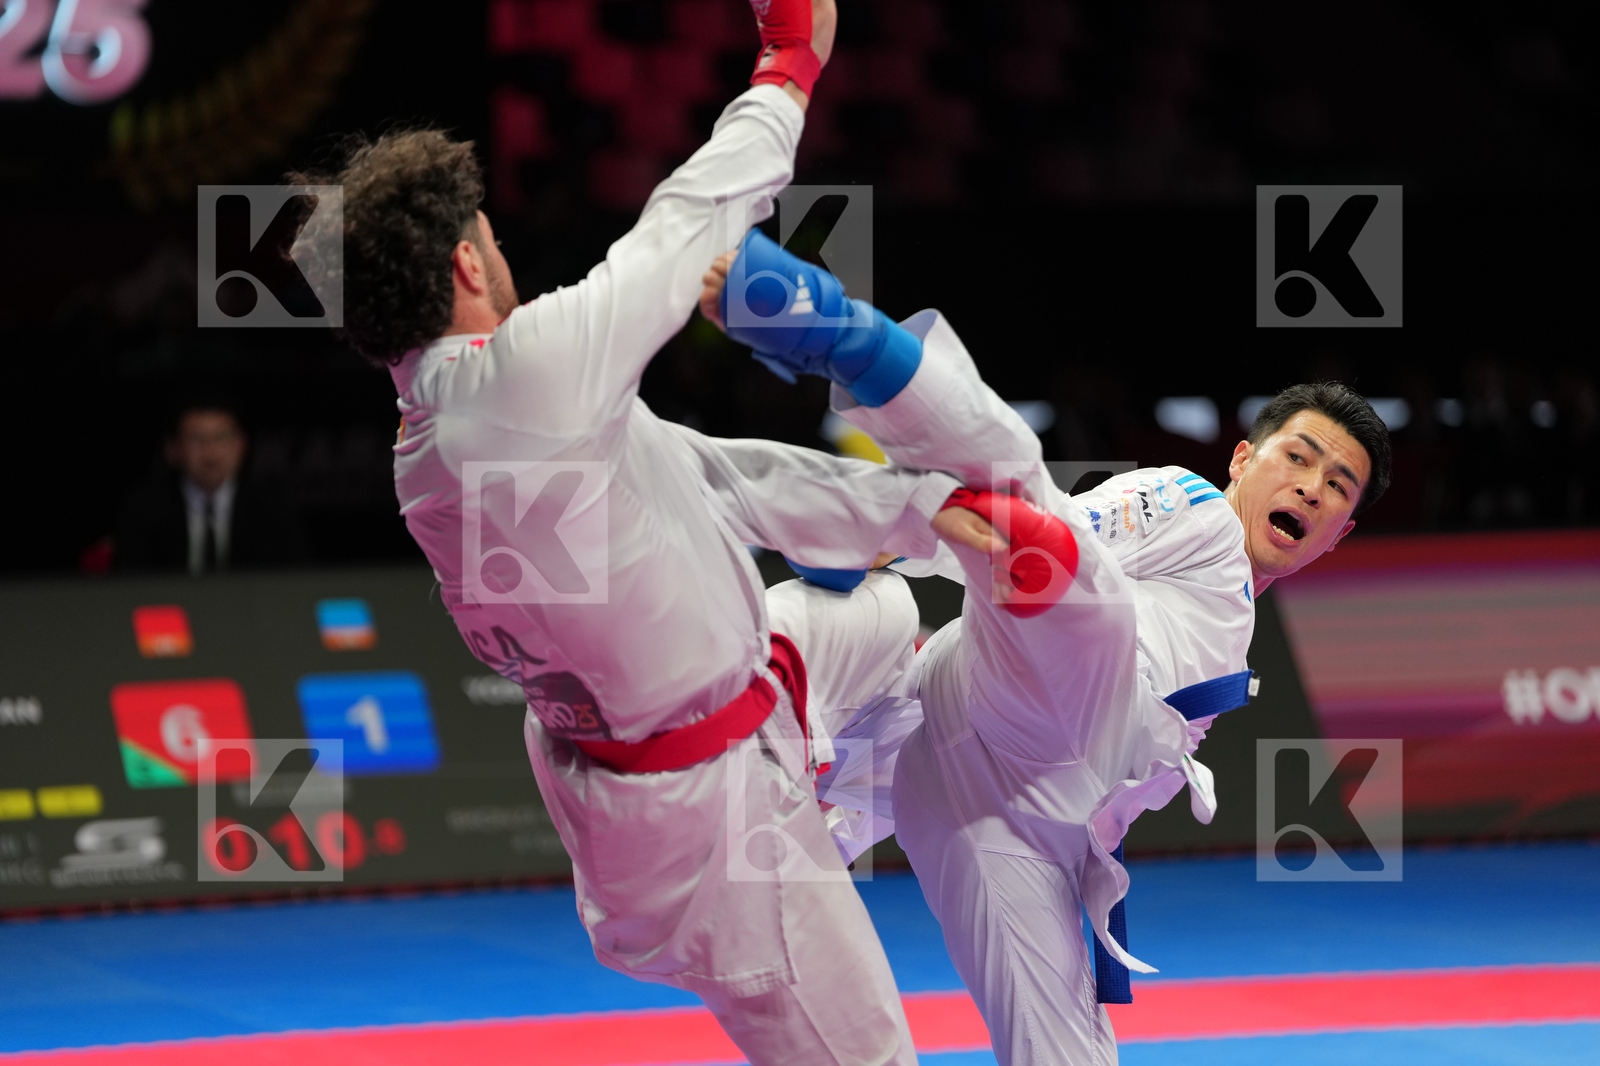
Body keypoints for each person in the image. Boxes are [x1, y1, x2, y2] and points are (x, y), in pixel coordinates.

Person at [298, 3, 991, 1061]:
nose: (500, 245)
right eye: (487, 232)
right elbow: (691, 219)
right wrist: (787, 64)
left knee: (890, 621)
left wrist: (923, 514)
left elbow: (706, 476)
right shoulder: (522, 382)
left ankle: (872, 810)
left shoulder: (444, 435)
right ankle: (830, 834)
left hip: (691, 751)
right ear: (463, 269)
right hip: (711, 823)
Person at [701, 234, 1393, 1064]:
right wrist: (898, 539)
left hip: (1005, 801)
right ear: (1245, 458)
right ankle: (848, 342)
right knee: (1021, 560)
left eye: (1336, 486)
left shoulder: (1227, 639)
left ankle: (770, 804)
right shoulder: (1198, 509)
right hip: (1028, 682)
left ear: (1338, 534)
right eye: (1299, 458)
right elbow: (1052, 531)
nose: (1312, 487)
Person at [114, 401, 307, 574]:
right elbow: (131, 582)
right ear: (172, 449)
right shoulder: (146, 507)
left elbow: (295, 578)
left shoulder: (271, 504)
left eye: (221, 438)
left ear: (241, 445)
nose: (210, 453)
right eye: (197, 440)